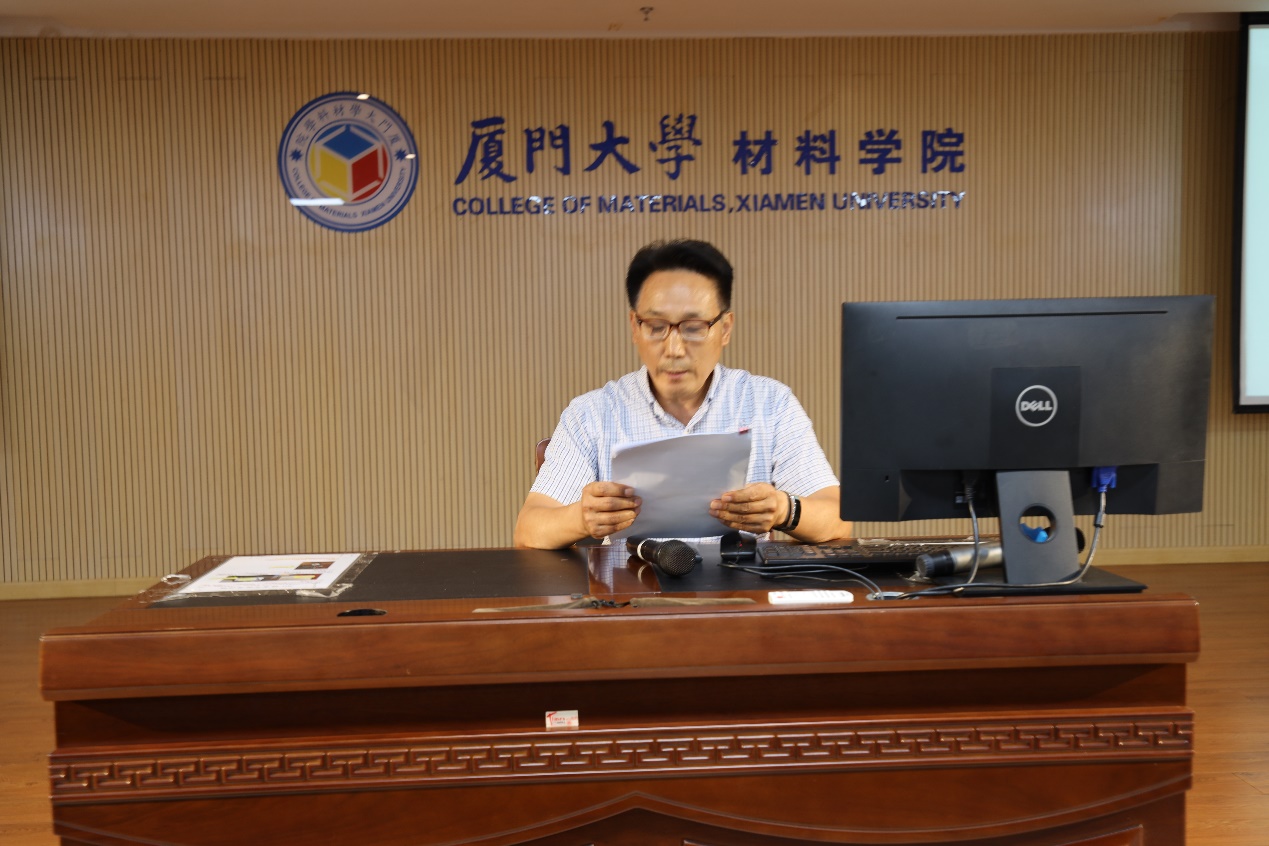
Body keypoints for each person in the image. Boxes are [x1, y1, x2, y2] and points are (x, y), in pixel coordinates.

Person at [513, 239, 852, 549]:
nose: (674, 349)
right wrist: (581, 518)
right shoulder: (592, 414)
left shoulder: (770, 404)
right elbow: (529, 530)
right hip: (630, 590)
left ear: (725, 328)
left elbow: (838, 520)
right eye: (656, 327)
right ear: (635, 327)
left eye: (693, 328)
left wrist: (784, 509)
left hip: (743, 589)